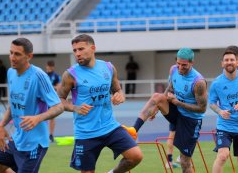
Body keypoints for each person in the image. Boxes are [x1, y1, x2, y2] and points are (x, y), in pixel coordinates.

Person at [56, 34, 142, 173]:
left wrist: (119, 95)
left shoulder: (108, 68)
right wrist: (74, 108)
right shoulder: (70, 74)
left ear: (93, 48)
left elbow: (118, 89)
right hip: (86, 133)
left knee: (135, 156)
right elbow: (59, 100)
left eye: (81, 49)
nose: (77, 53)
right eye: (75, 50)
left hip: (110, 127)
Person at [0, 38, 64, 173]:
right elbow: (13, 105)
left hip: (34, 143)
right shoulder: (11, 72)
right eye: (11, 53)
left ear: (29, 56)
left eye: (17, 54)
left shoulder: (38, 76)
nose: (12, 57)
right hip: (17, 138)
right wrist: (1, 126)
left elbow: (59, 107)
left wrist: (38, 118)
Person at [129, 47, 208, 173]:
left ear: (191, 63)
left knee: (184, 161)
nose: (180, 67)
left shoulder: (199, 82)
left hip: (191, 120)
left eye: (184, 65)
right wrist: (157, 106)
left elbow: (202, 109)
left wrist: (179, 103)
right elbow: (170, 89)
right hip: (176, 112)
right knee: (157, 97)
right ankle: (133, 130)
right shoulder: (173, 70)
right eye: (178, 63)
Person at [45, 60, 61, 143]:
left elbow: (58, 88)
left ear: (53, 67)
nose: (49, 68)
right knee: (41, 116)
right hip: (43, 100)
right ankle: (43, 135)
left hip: (51, 99)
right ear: (46, 66)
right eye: (48, 66)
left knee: (52, 117)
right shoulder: (43, 75)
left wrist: (50, 87)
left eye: (51, 66)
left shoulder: (56, 76)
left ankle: (51, 135)